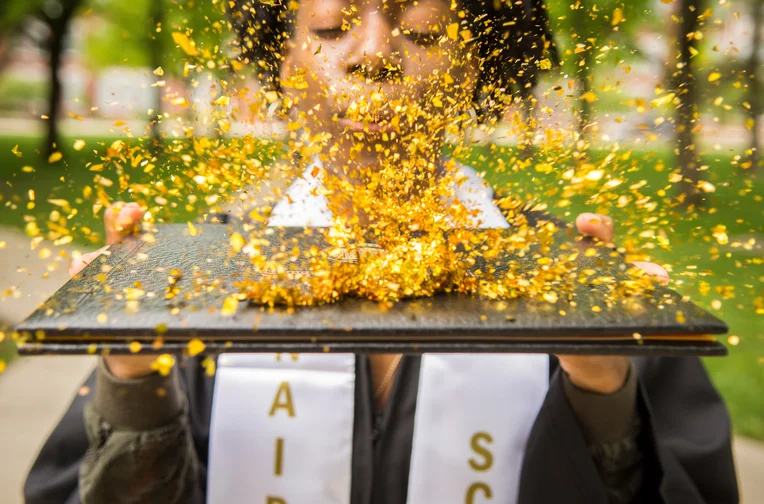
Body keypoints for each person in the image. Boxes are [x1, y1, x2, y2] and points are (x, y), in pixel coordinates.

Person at [25, 1, 738, 503]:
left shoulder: (570, 279)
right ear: (284, 63)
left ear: (472, 67)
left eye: (423, 33)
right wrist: (132, 378)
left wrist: (601, 390)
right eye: (332, 27)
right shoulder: (192, 279)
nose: (372, 57)